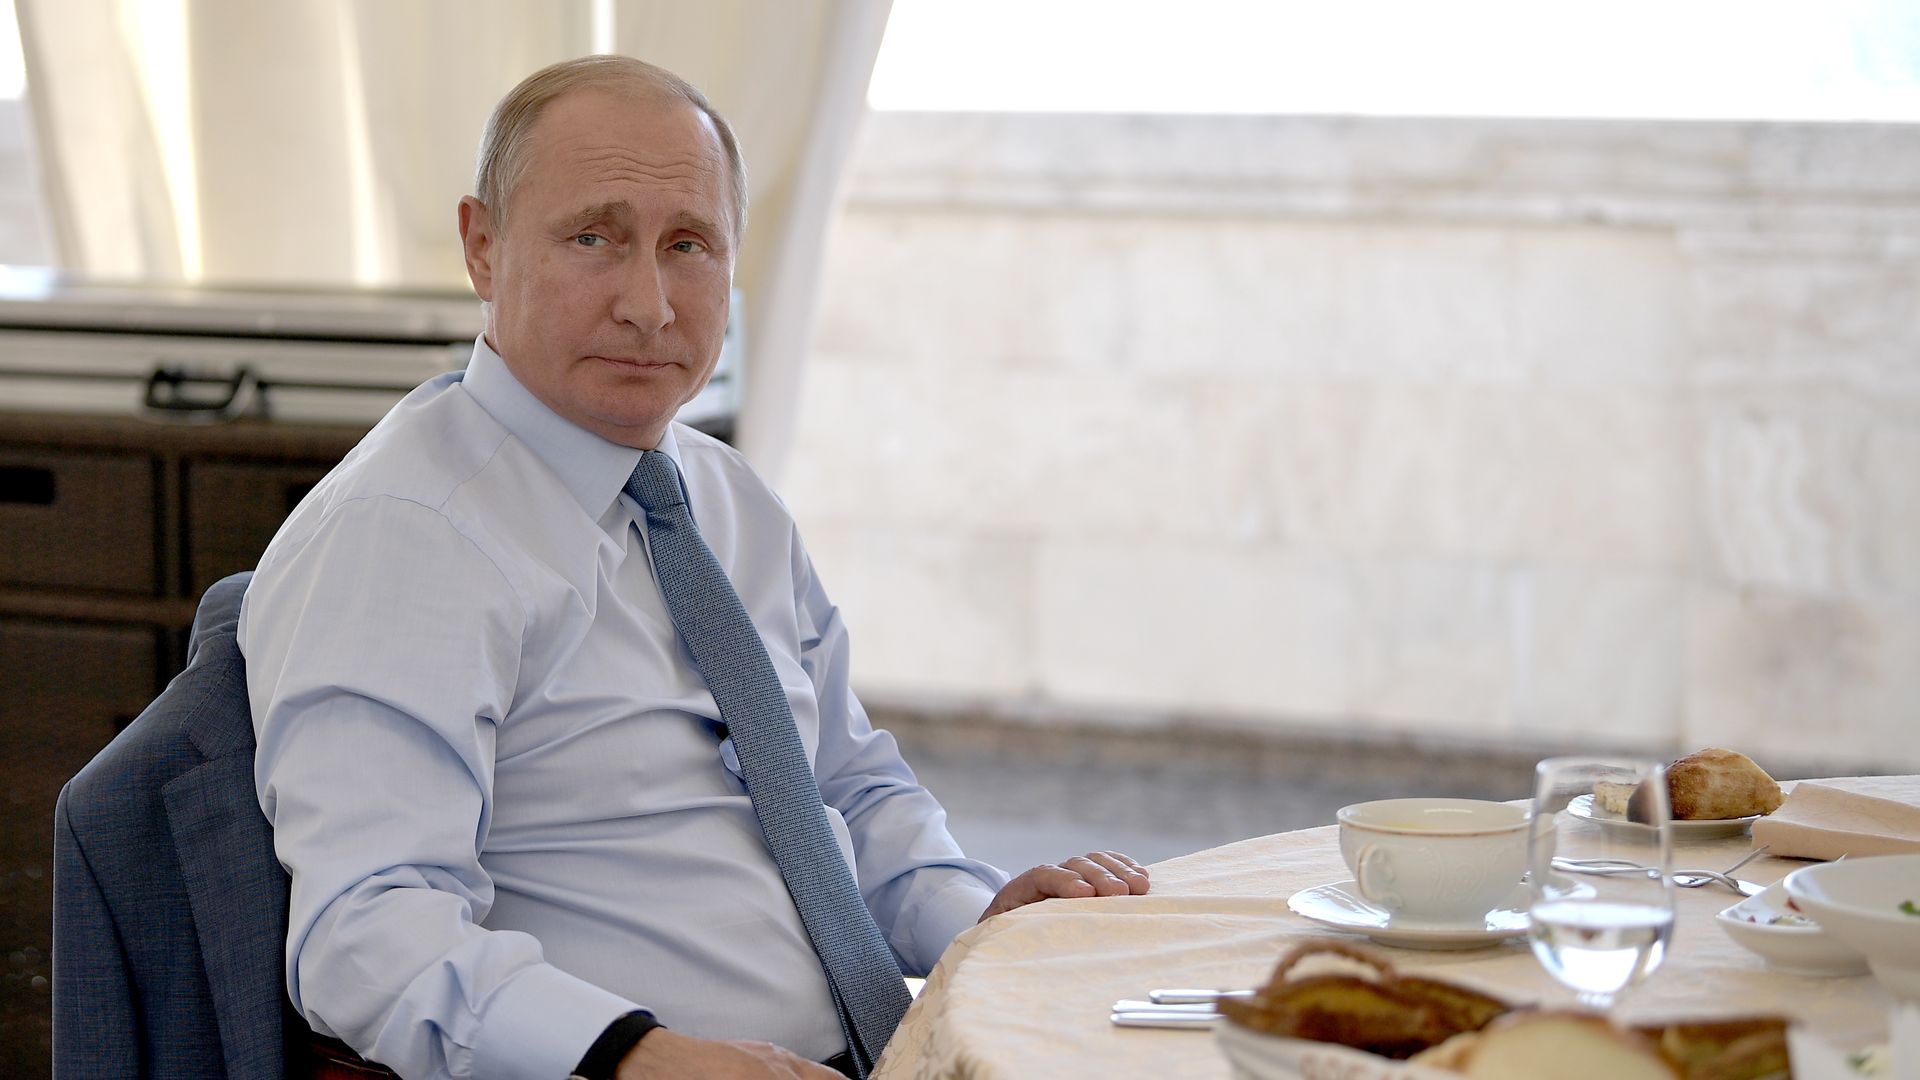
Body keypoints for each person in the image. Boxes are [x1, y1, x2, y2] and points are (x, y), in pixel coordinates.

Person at [239, 54, 1149, 1080]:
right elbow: (366, 935)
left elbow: (846, 785)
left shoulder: (724, 496)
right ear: (482, 248)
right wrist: (643, 1058)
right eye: (595, 238)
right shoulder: (405, 538)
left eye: (688, 246)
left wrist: (979, 920)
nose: (650, 304)